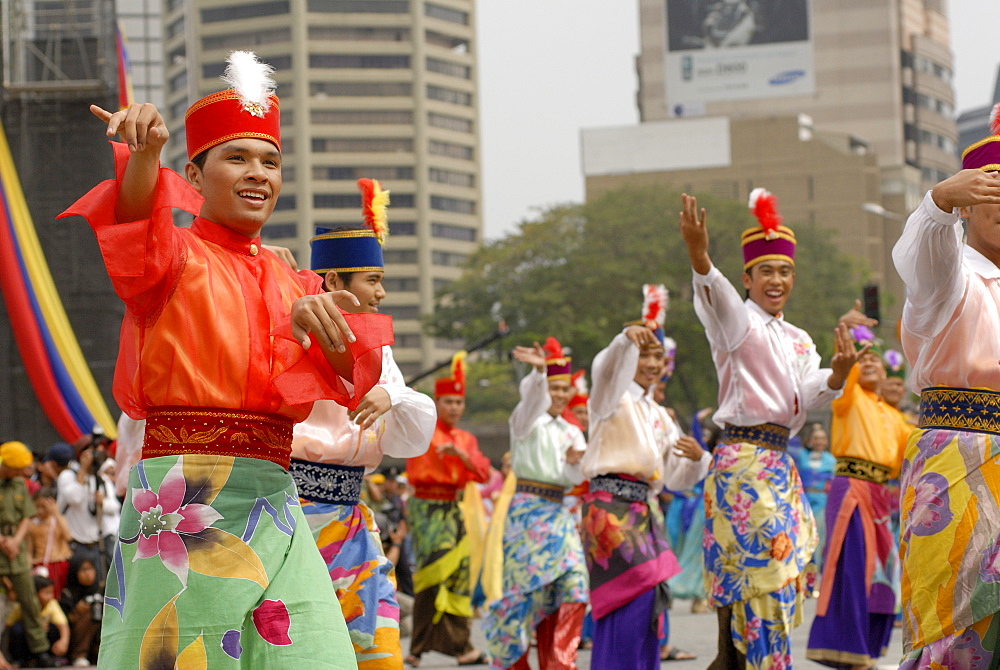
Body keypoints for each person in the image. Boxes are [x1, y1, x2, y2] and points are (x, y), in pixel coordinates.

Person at [58, 50, 390, 667]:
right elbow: (133, 218)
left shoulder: (297, 281)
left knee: (315, 655)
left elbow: (345, 385)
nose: (257, 172)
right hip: (185, 496)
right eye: (237, 157)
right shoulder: (171, 258)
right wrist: (145, 158)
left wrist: (329, 334)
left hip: (274, 493)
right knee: (184, 656)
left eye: (271, 160)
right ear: (194, 170)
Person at [679, 189, 866, 669]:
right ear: (748, 278)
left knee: (782, 581)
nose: (776, 280)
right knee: (762, 584)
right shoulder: (737, 324)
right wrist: (700, 257)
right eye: (766, 271)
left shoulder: (800, 339)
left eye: (784, 272)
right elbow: (715, 295)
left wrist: (840, 374)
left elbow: (810, 390)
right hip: (742, 463)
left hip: (781, 464)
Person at [289, 182, 436, 668]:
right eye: (372, 279)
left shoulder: (379, 349)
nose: (382, 291)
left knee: (377, 651)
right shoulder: (291, 335)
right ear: (333, 282)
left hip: (350, 518)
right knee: (305, 646)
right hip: (293, 519)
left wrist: (389, 391)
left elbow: (413, 433)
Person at [891, 106, 1000, 667]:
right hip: (958, 458)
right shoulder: (951, 273)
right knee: (955, 628)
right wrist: (937, 203)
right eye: (993, 189)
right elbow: (921, 258)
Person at [579, 285, 711, 670]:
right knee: (628, 601)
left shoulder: (658, 413)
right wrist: (623, 341)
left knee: (650, 604)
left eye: (658, 357)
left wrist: (699, 460)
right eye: (645, 355)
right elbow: (605, 371)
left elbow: (675, 477)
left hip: (644, 510)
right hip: (611, 509)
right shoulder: (609, 398)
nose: (652, 364)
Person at [805, 329, 911, 668]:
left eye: (873, 360)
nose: (866, 363)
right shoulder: (849, 397)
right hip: (851, 488)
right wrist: (847, 346)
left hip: (881, 497)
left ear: (886, 373)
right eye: (861, 359)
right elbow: (844, 371)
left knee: (883, 574)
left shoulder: (896, 418)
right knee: (852, 568)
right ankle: (845, 648)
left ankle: (863, 648)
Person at [482, 338, 588, 669]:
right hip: (527, 513)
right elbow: (531, 400)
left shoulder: (572, 430)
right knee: (522, 597)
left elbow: (575, 475)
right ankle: (515, 662)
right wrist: (541, 371)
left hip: (559, 513)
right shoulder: (527, 420)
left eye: (564, 389)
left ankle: (559, 661)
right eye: (553, 388)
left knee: (574, 587)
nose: (559, 395)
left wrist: (573, 463)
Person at [405, 352, 491, 667]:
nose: (454, 408)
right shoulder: (424, 431)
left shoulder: (466, 439)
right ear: (437, 403)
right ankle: (418, 647)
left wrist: (461, 455)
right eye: (448, 402)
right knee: (432, 572)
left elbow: (483, 473)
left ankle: (461, 645)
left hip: (454, 509)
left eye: (459, 403)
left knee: (458, 576)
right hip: (427, 508)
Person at [0, 442, 55, 667]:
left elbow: (26, 516)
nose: (21, 473)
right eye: (16, 469)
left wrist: (15, 541)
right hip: (3, 544)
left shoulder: (19, 484)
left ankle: (40, 651)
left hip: (16, 550)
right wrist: (3, 541)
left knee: (30, 601)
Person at [793, 422, 836, 571]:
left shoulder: (831, 460)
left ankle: (815, 572)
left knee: (818, 538)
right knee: (800, 535)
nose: (819, 441)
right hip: (803, 500)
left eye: (822, 438)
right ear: (810, 440)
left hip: (822, 502)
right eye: (816, 438)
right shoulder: (802, 456)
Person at [5, 575, 69, 667]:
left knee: (53, 628)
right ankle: (20, 660)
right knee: (17, 628)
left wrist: (64, 641)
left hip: (43, 642)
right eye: (47, 593)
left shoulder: (51, 604)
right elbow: (7, 627)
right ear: (34, 594)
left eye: (51, 592)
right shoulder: (21, 606)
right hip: (27, 641)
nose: (50, 596)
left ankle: (48, 657)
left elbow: (63, 624)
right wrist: (33, 625)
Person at [27, 487, 73, 600]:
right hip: (39, 564)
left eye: (44, 506)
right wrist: (28, 569)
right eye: (37, 507)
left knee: (56, 597)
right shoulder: (31, 524)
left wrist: (55, 513)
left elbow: (68, 537)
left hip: (58, 563)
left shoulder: (58, 520)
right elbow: (29, 550)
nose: (40, 510)